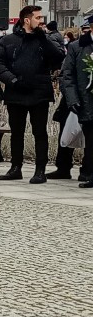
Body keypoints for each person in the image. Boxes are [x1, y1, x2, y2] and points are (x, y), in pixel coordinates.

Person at [0, 5, 65, 183]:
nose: (41, 21)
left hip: (39, 92)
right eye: (38, 18)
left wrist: (44, 39)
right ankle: (16, 167)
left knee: (39, 132)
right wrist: (13, 80)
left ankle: (40, 170)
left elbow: (58, 58)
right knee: (16, 131)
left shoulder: (44, 39)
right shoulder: (8, 40)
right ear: (27, 20)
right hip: (16, 91)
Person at [60, 16, 93, 188]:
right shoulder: (77, 46)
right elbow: (68, 75)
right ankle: (90, 174)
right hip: (86, 101)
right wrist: (72, 99)